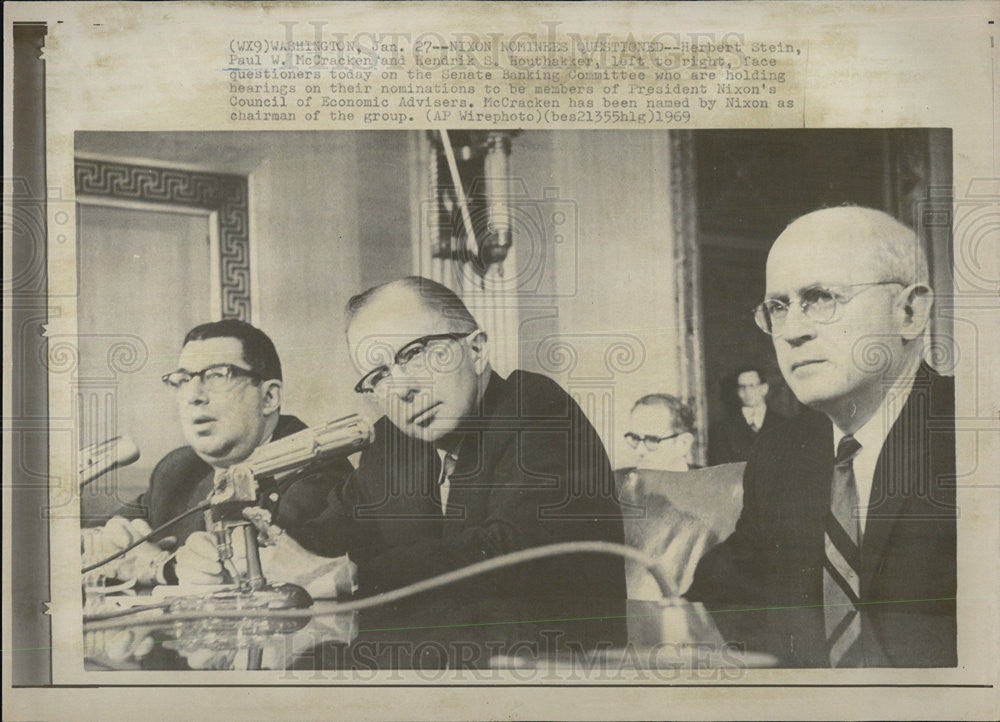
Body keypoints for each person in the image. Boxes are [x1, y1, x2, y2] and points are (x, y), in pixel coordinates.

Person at [176, 277, 627, 600]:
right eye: (378, 375)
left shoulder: (535, 404)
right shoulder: (396, 440)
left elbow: (517, 550)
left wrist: (349, 576)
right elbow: (327, 534)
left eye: (414, 354)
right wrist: (239, 554)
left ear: (476, 349)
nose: (401, 389)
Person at [686, 206, 956, 667]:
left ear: (909, 312)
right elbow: (726, 588)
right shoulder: (783, 449)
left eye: (821, 298)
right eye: (778, 307)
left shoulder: (975, 436)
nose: (792, 331)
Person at [84, 320, 353, 585]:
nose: (193, 395)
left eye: (216, 375)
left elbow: (254, 565)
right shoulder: (179, 468)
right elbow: (99, 538)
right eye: (183, 380)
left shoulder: (316, 466)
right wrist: (110, 539)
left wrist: (160, 567)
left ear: (269, 397)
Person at [708, 365, 786, 465]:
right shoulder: (722, 430)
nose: (747, 392)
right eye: (742, 387)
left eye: (752, 386)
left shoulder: (783, 424)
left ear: (764, 388)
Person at [624, 394, 698, 471]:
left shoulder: (708, 481)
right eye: (635, 438)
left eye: (652, 440)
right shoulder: (616, 480)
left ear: (684, 443)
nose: (640, 451)